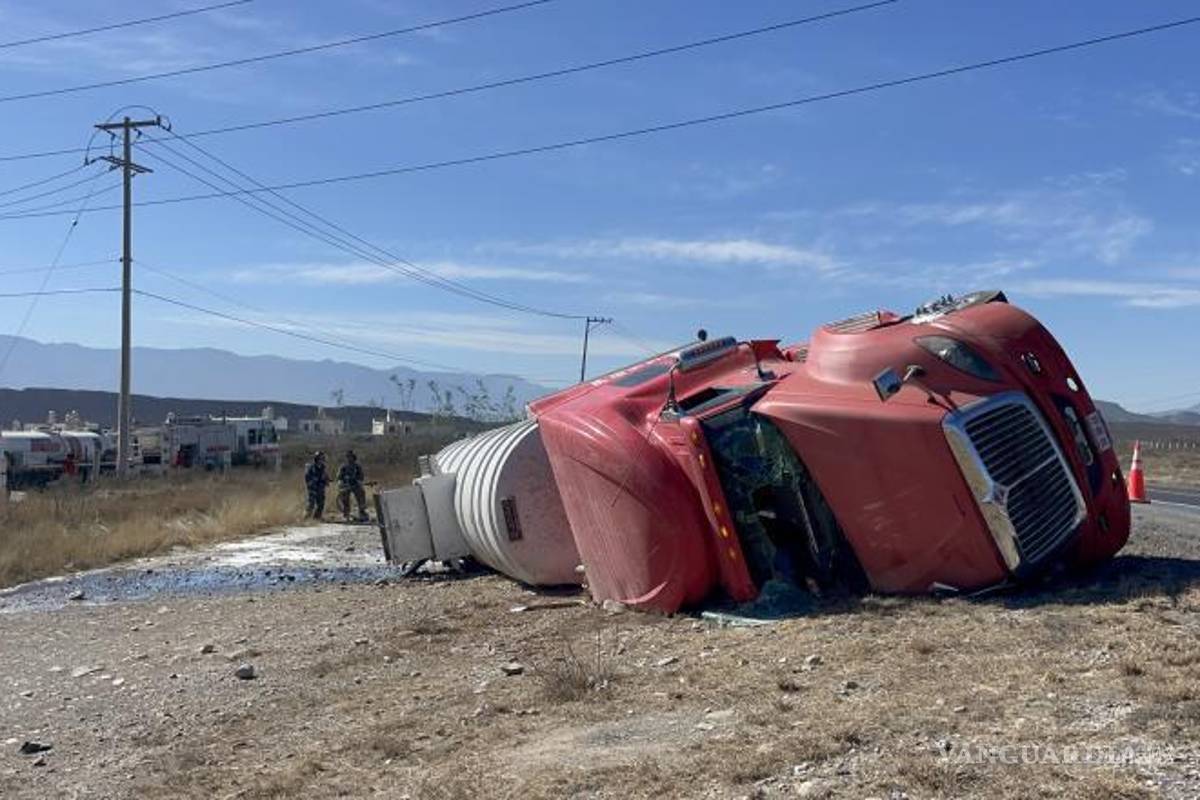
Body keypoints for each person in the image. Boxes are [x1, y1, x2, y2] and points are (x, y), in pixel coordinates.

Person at [336, 450, 369, 523]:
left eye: (350, 457)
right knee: (344, 498)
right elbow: (339, 476)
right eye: (348, 457)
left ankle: (362, 512)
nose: (349, 458)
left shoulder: (357, 466)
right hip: (346, 485)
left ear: (354, 458)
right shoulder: (343, 467)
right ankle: (346, 514)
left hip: (355, 485)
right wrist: (340, 482)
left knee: (361, 494)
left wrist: (359, 481)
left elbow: (361, 476)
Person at [304, 451, 330, 520]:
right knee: (311, 503)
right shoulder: (311, 467)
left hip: (320, 488)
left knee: (321, 503)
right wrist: (312, 483)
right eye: (320, 458)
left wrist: (327, 481)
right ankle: (306, 517)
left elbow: (326, 476)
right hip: (313, 488)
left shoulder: (323, 468)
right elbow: (307, 477)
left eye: (322, 459)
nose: (321, 460)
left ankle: (317, 517)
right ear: (316, 459)